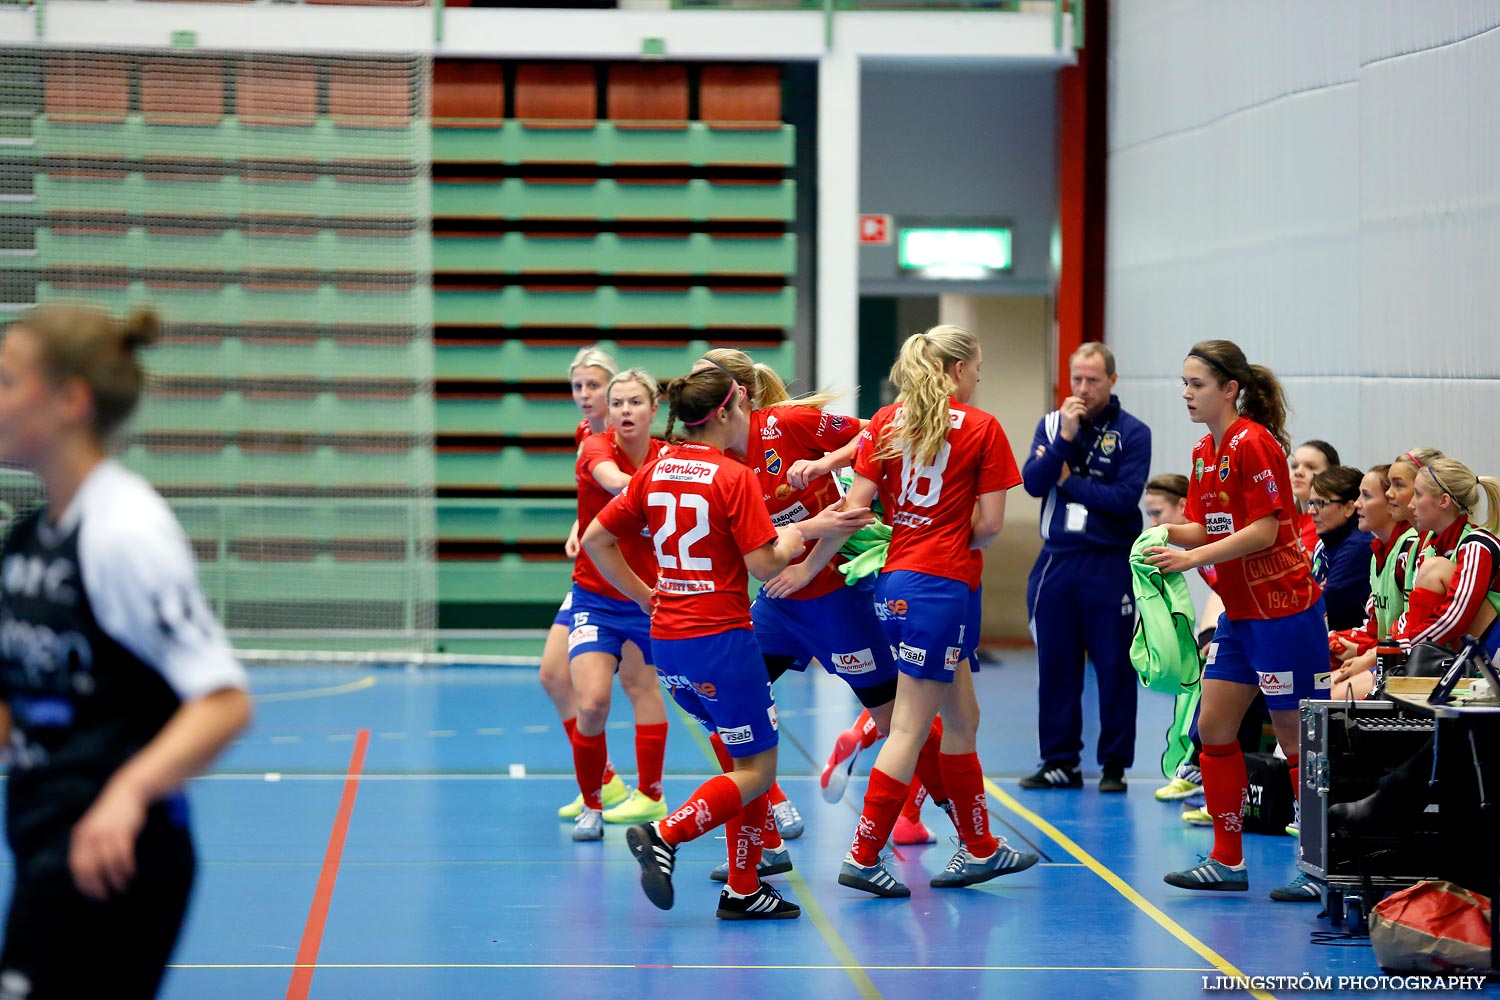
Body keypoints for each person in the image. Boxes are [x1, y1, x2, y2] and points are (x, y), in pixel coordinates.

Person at [0, 305, 253, 996]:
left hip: (117, 857)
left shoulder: (125, 530)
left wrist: (127, 794)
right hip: (44, 841)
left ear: (70, 401)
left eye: (7, 381)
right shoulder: (29, 540)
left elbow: (222, 701)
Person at [695, 349, 951, 859]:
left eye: (707, 390)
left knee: (902, 723)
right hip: (776, 601)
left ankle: (964, 821)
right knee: (726, 707)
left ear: (736, 398)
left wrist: (826, 465)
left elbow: (880, 430)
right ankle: (767, 811)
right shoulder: (712, 457)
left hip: (836, 598)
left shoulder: (786, 425)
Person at [583, 367, 806, 920]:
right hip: (722, 641)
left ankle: (743, 887)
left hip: (671, 642)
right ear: (727, 413)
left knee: (740, 764)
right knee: (759, 771)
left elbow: (595, 539)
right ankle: (666, 834)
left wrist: (643, 596)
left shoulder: (656, 470)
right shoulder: (733, 477)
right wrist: (807, 531)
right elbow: (765, 564)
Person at [835, 325, 1039, 898]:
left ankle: (979, 848)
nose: (979, 377)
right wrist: (944, 533)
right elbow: (992, 526)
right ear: (955, 370)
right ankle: (863, 853)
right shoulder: (981, 426)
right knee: (908, 727)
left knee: (964, 719)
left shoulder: (884, 422)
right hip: (942, 585)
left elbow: (856, 506)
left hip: (897, 579)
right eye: (976, 367)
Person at [1144, 339, 1327, 903]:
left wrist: (1191, 558)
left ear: (1230, 390)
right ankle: (1227, 858)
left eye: (1196, 384)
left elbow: (1266, 530)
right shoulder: (1204, 452)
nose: (1186, 393)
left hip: (1284, 613)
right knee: (1214, 732)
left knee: (1298, 740)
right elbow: (1206, 527)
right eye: (1184, 383)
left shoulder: (1255, 443)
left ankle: (1318, 865)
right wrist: (1160, 537)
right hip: (1241, 617)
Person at [1019, 342, 1151, 793]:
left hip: (1109, 563)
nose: (1083, 388)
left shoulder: (1134, 433)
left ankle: (1114, 764)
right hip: (1058, 562)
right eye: (1077, 378)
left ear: (1111, 380)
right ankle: (1059, 761)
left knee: (1115, 666)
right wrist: (1064, 441)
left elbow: (1121, 500)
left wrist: (1070, 482)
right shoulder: (1053, 426)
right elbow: (1034, 482)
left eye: (1093, 379)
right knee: (1056, 666)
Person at [565, 369, 672, 841]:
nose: (625, 410)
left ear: (653, 409)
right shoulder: (597, 449)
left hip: (649, 598)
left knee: (649, 690)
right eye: (618, 403)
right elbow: (612, 481)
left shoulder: (668, 456)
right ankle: (593, 803)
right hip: (597, 597)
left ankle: (651, 793)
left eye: (635, 402)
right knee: (591, 704)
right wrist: (666, 486)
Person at [550, 347, 634, 820]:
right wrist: (578, 526)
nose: (585, 395)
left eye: (594, 386)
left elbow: (620, 487)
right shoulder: (587, 433)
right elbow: (593, 492)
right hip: (592, 579)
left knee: (649, 691)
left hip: (629, 582)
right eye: (578, 386)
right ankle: (602, 780)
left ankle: (767, 799)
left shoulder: (626, 441)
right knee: (552, 675)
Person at [1308, 466, 1375, 631]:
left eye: (1320, 503)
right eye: (1310, 503)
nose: (1311, 511)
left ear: (1349, 508)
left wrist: (1313, 593)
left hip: (1352, 647)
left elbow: (1324, 604)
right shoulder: (1323, 543)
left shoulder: (1359, 545)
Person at [1290, 440, 1339, 557]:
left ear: (1330, 476)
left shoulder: (1322, 521)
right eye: (1294, 466)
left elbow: (1300, 567)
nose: (1298, 472)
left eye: (1310, 467)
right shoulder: (1291, 519)